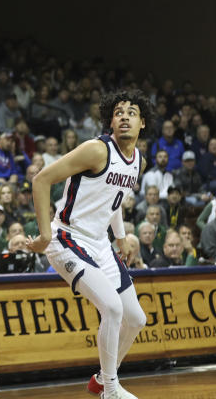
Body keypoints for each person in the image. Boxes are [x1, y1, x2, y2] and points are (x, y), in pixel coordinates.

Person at [28, 90, 150, 399]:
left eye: (131, 112)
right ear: (110, 121)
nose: (124, 116)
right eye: (119, 112)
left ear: (142, 123)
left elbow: (113, 199)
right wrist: (44, 235)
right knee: (111, 308)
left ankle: (102, 378)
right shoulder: (96, 150)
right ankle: (110, 388)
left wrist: (120, 237)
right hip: (67, 238)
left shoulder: (138, 161)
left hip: (100, 244)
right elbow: (41, 180)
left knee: (136, 319)